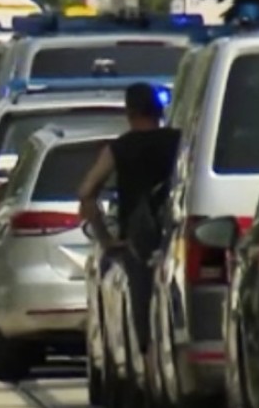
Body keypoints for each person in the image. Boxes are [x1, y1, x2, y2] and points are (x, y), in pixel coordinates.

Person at [78, 82, 181, 380]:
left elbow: (86, 192)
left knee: (143, 315)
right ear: (159, 110)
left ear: (129, 112)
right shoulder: (178, 141)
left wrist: (106, 239)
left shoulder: (120, 148)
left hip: (139, 243)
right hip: (175, 238)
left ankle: (149, 373)